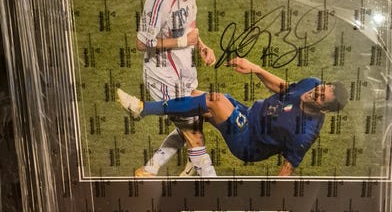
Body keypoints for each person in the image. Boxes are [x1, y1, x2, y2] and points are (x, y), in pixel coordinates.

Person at [117, 57, 348, 176]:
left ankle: (142, 109)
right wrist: (256, 68)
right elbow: (285, 88)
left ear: (325, 110)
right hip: (248, 113)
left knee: (213, 101)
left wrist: (275, 208)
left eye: (320, 97)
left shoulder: (305, 133)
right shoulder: (312, 83)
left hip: (249, 143)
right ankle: (156, 167)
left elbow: (287, 169)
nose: (314, 92)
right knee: (194, 100)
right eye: (321, 88)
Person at [135, 0, 217, 178]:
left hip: (184, 73)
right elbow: (142, 42)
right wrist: (182, 41)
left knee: (192, 123)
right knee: (194, 134)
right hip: (163, 77)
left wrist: (201, 45)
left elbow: (189, 27)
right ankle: (213, 183)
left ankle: (149, 169)